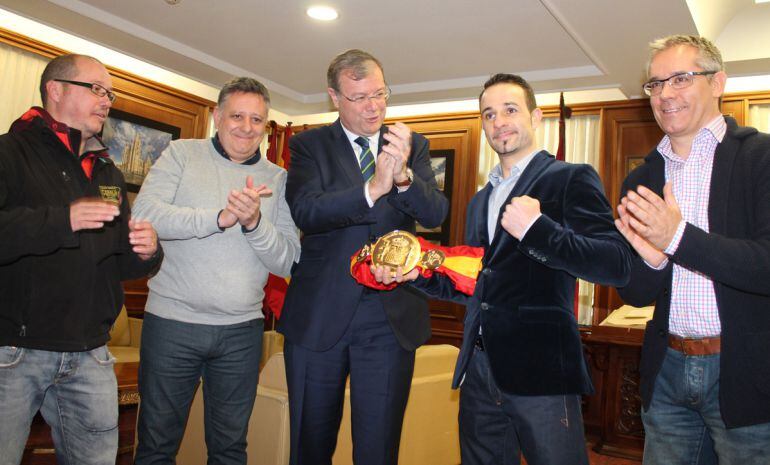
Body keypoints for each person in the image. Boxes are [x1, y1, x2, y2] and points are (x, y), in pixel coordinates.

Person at [377, 73, 631, 465]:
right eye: (489, 114)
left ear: (536, 117)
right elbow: (475, 283)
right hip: (479, 369)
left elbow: (615, 264)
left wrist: (537, 230)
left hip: (542, 370)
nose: (499, 122)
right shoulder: (480, 200)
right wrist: (419, 274)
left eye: (510, 110)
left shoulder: (569, 178)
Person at [278, 49, 448, 465]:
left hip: (389, 319)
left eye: (379, 94)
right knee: (310, 446)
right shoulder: (308, 146)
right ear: (334, 97)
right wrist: (373, 189)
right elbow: (307, 211)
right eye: (359, 98)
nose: (373, 106)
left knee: (378, 448)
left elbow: (436, 213)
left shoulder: (412, 145)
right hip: (320, 315)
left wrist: (404, 176)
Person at [616, 35, 770, 464]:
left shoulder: (761, 158)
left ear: (718, 82)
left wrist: (677, 238)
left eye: (680, 78)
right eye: (655, 84)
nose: (664, 93)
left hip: (747, 375)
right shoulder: (641, 179)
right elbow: (636, 294)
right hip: (666, 369)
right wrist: (652, 259)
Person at [0, 53, 161, 465]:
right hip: (15, 352)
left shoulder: (106, 170)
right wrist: (62, 219)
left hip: (91, 352)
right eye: (96, 89)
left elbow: (119, 263)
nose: (106, 100)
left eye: (109, 93)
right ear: (55, 89)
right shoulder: (9, 152)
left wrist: (147, 251)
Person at [131, 77, 300, 465]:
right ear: (216, 116)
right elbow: (144, 215)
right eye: (237, 116)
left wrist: (255, 223)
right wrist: (220, 217)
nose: (246, 127)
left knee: (229, 450)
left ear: (267, 126)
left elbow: (289, 259)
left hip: (241, 334)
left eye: (257, 119)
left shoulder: (278, 178)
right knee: (157, 446)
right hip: (172, 325)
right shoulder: (180, 154)